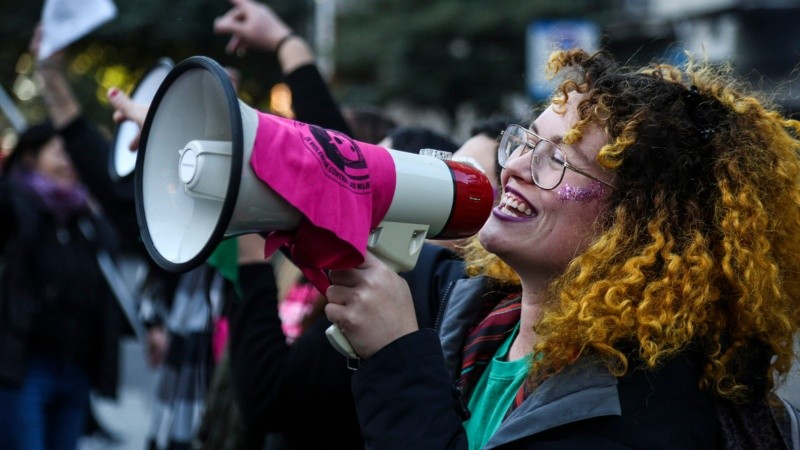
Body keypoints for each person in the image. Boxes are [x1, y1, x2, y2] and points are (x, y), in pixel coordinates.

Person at [324, 48, 800, 449]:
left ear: (637, 225)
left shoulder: (644, 412)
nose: (514, 167)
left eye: (557, 159)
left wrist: (394, 357)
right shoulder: (477, 309)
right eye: (526, 140)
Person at [0, 122, 128, 450]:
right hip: (26, 367)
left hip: (76, 368)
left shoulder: (84, 216)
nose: (70, 162)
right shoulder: (15, 206)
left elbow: (110, 280)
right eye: (59, 152)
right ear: (30, 158)